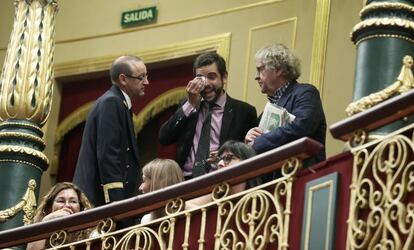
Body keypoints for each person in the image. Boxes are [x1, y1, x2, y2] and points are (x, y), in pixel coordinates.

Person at [159, 52, 257, 179]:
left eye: (211, 77)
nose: (206, 84)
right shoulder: (188, 105)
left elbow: (250, 154)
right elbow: (164, 138)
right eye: (200, 78)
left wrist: (226, 156)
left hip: (222, 180)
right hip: (185, 180)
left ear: (224, 77)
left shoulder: (244, 111)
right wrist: (190, 104)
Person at [73, 55, 149, 206]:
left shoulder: (118, 102)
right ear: (123, 79)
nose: (146, 82)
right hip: (99, 200)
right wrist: (116, 204)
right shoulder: (112, 102)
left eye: (146, 76)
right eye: (141, 77)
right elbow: (109, 155)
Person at [245, 43, 326, 169]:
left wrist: (258, 142)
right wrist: (249, 140)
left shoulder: (305, 93)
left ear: (279, 69)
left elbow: (302, 127)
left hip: (303, 176)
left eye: (260, 69)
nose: (256, 76)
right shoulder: (263, 115)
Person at [186, 140, 261, 208]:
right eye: (219, 160)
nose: (220, 164)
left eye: (228, 158)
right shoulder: (215, 194)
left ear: (247, 163)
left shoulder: (262, 199)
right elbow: (184, 207)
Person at [26, 182, 93, 250]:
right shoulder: (43, 227)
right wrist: (46, 220)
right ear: (49, 208)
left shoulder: (91, 234)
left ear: (80, 208)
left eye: (73, 201)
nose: (67, 205)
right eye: (61, 201)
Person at [138, 158, 184, 223]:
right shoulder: (146, 220)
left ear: (158, 184)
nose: (140, 188)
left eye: (144, 181)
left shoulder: (193, 212)